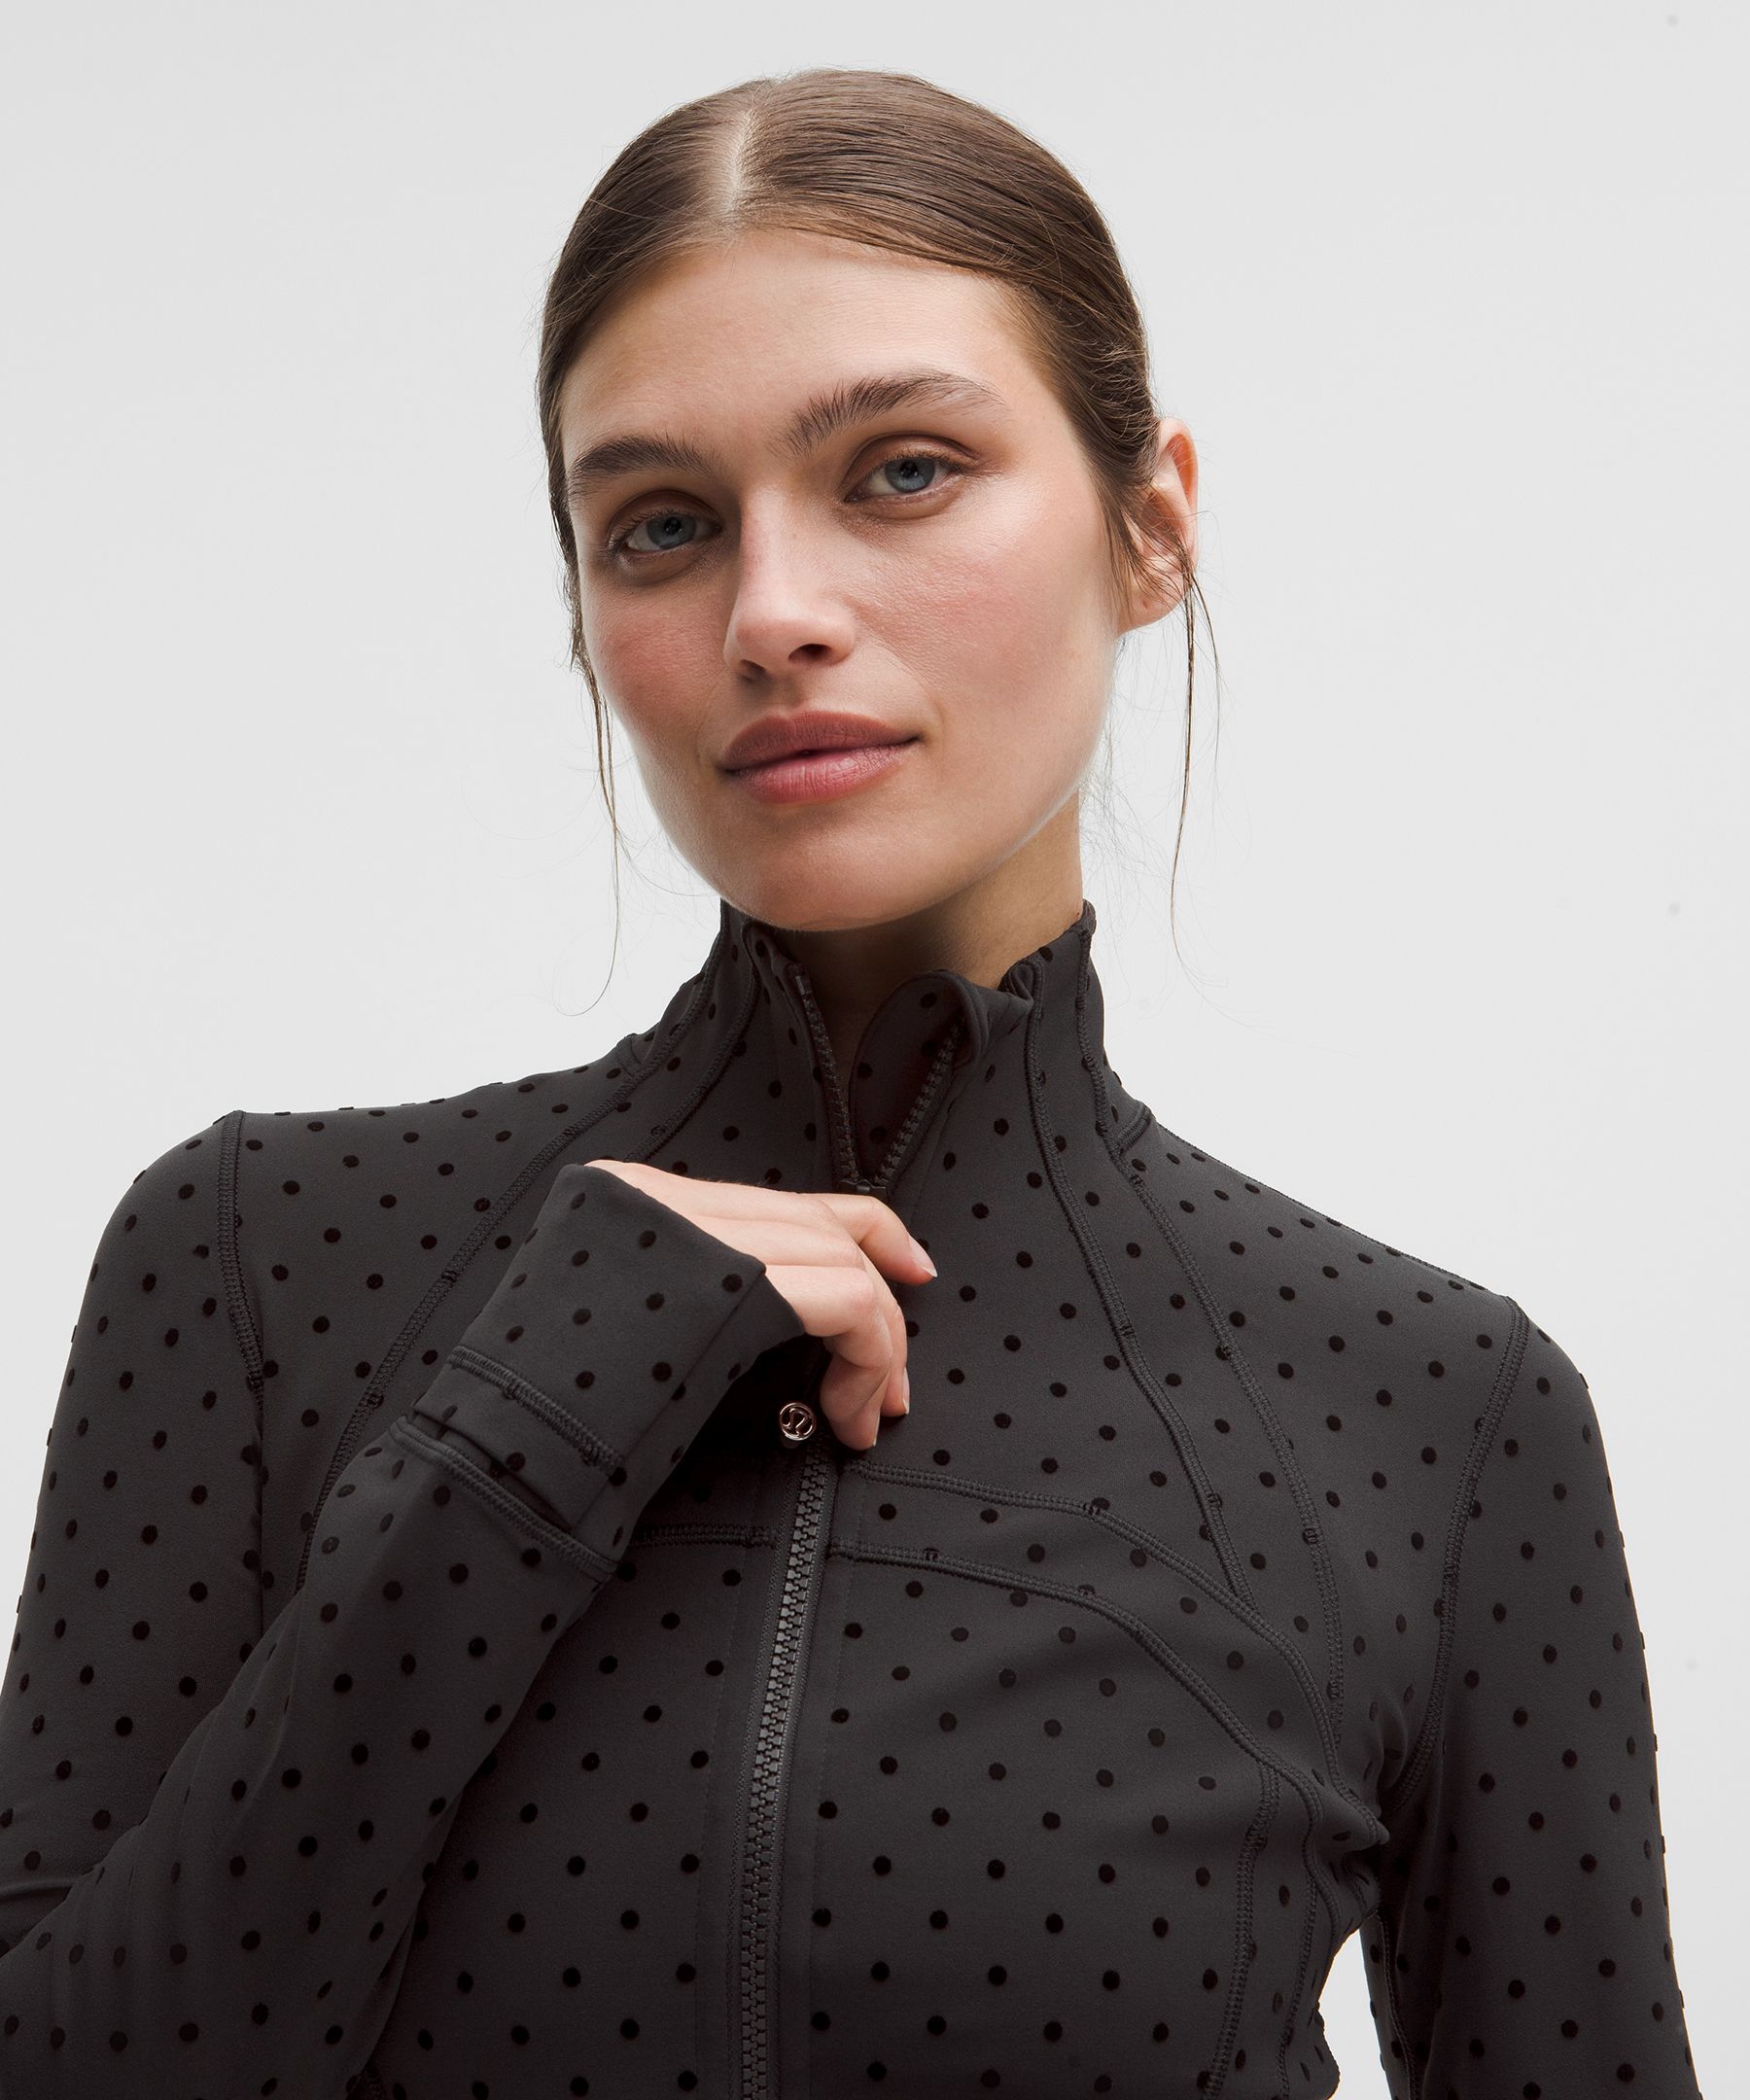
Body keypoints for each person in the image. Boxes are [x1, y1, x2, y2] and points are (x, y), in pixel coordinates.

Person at [0, 65, 1705, 2100]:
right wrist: (523, 1423)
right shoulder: (260, 1260)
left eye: (903, 471)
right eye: (660, 526)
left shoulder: (1437, 1413)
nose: (775, 613)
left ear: (1151, 526)